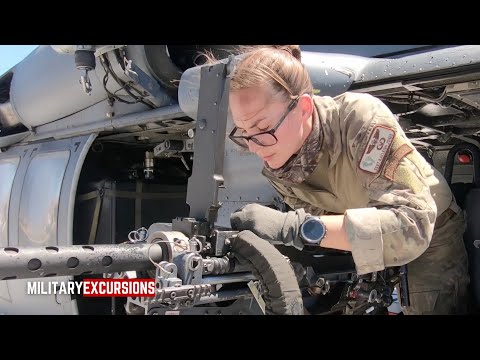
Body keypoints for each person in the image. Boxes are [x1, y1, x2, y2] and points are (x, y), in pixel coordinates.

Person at [220, 45, 470, 315]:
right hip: (367, 239)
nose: (255, 146)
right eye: (244, 132)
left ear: (303, 108)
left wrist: (292, 228)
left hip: (432, 230)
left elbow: (412, 225)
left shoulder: (358, 119)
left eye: (262, 128)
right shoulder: (279, 164)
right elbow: (328, 221)